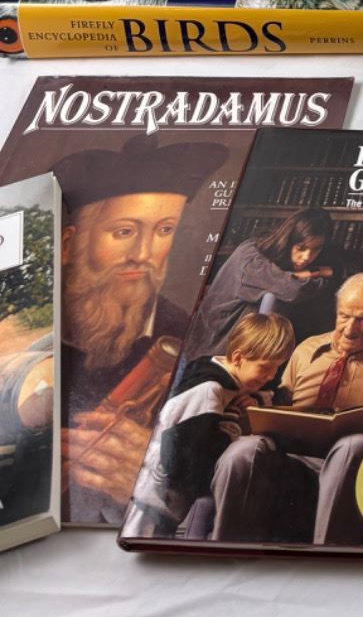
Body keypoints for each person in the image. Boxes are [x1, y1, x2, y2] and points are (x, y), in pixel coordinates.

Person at [51, 137, 228, 525]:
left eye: (164, 230)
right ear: (69, 244)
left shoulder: (194, 338)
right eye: (124, 232)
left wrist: (153, 477)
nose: (144, 254)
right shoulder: (26, 323)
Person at [209, 271, 363, 546]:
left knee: (354, 445)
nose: (349, 329)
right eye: (344, 315)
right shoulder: (307, 348)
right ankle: (224, 553)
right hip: (289, 461)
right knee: (244, 449)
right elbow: (278, 400)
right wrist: (257, 404)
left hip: (353, 471)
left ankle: (327, 555)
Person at [122, 311, 295, 540]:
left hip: (160, 500)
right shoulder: (209, 391)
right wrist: (231, 426)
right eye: (265, 368)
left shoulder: (223, 378)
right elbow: (188, 463)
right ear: (238, 358)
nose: (271, 376)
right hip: (154, 501)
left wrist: (255, 401)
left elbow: (268, 391)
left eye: (277, 368)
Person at [180, 207, 334, 361]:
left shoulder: (281, 267)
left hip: (236, 356)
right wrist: (316, 273)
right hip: (206, 354)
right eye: (301, 248)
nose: (307, 257)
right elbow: (294, 290)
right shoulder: (250, 256)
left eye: (316, 249)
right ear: (288, 240)